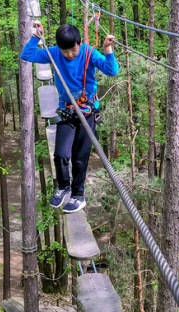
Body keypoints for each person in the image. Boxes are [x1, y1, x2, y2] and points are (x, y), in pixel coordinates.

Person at [21, 22, 118, 213]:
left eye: (73, 50)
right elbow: (27, 55)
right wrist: (36, 37)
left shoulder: (89, 53)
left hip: (87, 111)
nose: (70, 55)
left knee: (79, 158)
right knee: (61, 154)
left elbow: (112, 70)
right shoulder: (55, 53)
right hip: (66, 110)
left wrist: (108, 50)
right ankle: (63, 186)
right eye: (65, 51)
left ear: (79, 43)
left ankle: (78, 195)